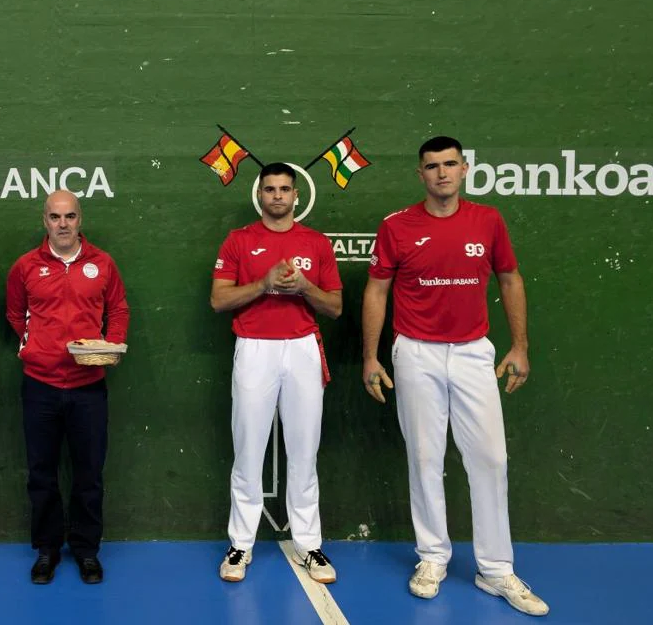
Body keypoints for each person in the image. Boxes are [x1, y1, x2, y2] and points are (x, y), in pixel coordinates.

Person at [361, 135, 549, 617]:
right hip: (415, 353)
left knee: (490, 458)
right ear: (419, 174)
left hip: (472, 354)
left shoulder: (488, 220)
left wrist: (520, 347)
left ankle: (496, 569)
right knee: (424, 457)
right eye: (431, 166)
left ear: (465, 169)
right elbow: (377, 290)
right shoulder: (396, 226)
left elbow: (510, 278)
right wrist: (371, 357)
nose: (441, 173)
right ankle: (432, 558)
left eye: (450, 164)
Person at [210, 162, 342, 584]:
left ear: (296, 196)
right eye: (270, 189)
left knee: (305, 449)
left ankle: (310, 545)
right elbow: (218, 300)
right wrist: (264, 284)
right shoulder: (238, 240)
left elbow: (335, 306)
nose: (278, 196)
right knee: (248, 449)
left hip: (302, 348)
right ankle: (240, 545)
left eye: (285, 189)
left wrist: (304, 288)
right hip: (254, 349)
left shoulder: (316, 243)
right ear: (260, 195)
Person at [5, 190, 130, 585]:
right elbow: (14, 312)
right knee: (42, 473)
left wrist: (111, 346)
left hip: (89, 387)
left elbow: (119, 309)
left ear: (80, 220)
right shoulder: (25, 266)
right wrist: (33, 347)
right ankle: (46, 550)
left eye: (70, 216)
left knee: (88, 473)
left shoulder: (103, 263)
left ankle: (86, 550)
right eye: (55, 217)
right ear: (45, 221)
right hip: (39, 385)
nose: (63, 224)